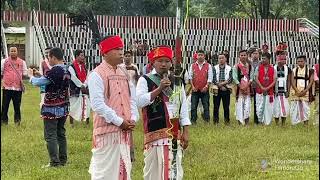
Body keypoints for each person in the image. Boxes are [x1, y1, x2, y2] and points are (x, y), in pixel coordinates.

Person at [87, 35, 139, 179]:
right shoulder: (96, 74)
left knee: (123, 170)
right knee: (105, 172)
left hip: (124, 131)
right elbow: (97, 105)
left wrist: (133, 117)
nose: (121, 52)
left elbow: (132, 98)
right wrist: (119, 121)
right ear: (105, 53)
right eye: (116, 49)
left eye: (121, 48)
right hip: (107, 132)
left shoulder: (124, 73)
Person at [136, 46, 190, 180]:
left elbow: (183, 106)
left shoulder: (177, 80)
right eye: (160, 61)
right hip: (155, 132)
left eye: (167, 61)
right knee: (154, 169)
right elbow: (139, 101)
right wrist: (159, 89)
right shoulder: (145, 79)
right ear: (153, 62)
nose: (164, 64)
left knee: (173, 167)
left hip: (174, 130)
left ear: (171, 63)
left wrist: (186, 131)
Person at [29, 47, 70, 167]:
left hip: (52, 107)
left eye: (49, 58)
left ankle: (54, 162)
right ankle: (63, 160)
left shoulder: (55, 70)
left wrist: (31, 76)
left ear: (53, 57)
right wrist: (40, 74)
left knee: (50, 135)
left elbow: (39, 83)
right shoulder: (67, 69)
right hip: (63, 105)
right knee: (61, 133)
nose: (48, 60)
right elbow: (50, 79)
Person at [1, 46, 28, 126]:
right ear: (9, 52)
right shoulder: (4, 61)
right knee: (5, 106)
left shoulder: (22, 62)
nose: (13, 52)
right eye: (11, 51)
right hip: (7, 87)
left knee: (17, 106)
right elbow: (1, 72)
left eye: (14, 51)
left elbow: (25, 73)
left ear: (17, 52)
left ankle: (17, 122)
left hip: (17, 88)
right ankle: (3, 122)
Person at [189, 50, 213, 124]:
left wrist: (206, 86)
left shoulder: (208, 65)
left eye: (201, 55)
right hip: (195, 90)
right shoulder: (192, 65)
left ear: (204, 56)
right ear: (197, 56)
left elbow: (210, 77)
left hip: (204, 90)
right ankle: (193, 121)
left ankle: (207, 121)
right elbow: (190, 77)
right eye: (199, 55)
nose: (200, 56)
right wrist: (192, 87)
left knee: (206, 106)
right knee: (193, 106)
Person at [290, 55, 314, 125]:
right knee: (294, 108)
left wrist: (305, 91)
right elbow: (292, 81)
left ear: (305, 61)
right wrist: (297, 91)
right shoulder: (294, 70)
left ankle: (305, 123)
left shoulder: (309, 70)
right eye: (298, 61)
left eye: (301, 61)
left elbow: (311, 82)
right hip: (296, 92)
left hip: (305, 93)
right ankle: (294, 123)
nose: (300, 63)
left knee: (305, 109)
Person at [68, 50, 90, 126]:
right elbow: (73, 78)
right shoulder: (71, 67)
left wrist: (85, 85)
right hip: (75, 89)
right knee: (73, 106)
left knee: (87, 105)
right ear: (77, 56)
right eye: (81, 55)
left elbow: (88, 76)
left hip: (84, 88)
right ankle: (71, 123)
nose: (83, 57)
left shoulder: (85, 66)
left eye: (83, 56)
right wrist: (81, 85)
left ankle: (87, 123)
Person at [233, 50, 254, 125]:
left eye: (244, 55)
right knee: (239, 105)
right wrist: (241, 87)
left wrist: (247, 86)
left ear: (247, 56)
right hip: (239, 89)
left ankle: (247, 123)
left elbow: (251, 77)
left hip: (248, 88)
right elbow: (234, 78)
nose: (243, 57)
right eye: (241, 55)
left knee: (247, 105)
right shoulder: (236, 66)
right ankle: (240, 122)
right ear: (239, 57)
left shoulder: (250, 66)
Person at [255, 52, 276, 125]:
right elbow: (256, 78)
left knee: (269, 108)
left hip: (269, 92)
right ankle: (260, 122)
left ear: (269, 59)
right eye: (262, 58)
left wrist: (266, 88)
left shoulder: (273, 69)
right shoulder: (258, 67)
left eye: (264, 59)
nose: (262, 60)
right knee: (259, 108)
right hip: (260, 91)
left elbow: (274, 81)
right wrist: (262, 87)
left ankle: (267, 123)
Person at [212, 53, 233, 125]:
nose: (221, 59)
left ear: (225, 59)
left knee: (226, 107)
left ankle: (227, 121)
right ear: (218, 59)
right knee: (216, 106)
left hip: (226, 89)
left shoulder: (230, 68)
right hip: (216, 89)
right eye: (219, 58)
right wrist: (220, 85)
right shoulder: (214, 68)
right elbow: (213, 79)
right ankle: (215, 121)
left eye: (222, 58)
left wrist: (223, 85)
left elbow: (230, 79)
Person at [273, 52, 291, 126]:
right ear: (277, 59)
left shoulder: (287, 68)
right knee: (276, 107)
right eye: (281, 59)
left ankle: (283, 123)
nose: (283, 61)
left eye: (284, 59)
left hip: (284, 91)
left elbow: (288, 80)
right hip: (275, 91)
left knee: (285, 107)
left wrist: (288, 91)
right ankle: (277, 123)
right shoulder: (273, 68)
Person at [248, 47, 261, 124]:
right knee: (248, 103)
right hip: (249, 86)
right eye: (253, 54)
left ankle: (257, 120)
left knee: (257, 103)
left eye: (256, 53)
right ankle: (246, 119)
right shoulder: (248, 63)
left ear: (259, 55)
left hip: (258, 86)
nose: (255, 55)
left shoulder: (261, 63)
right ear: (250, 55)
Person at [313, 58, 319, 125]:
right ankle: (317, 123)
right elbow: (316, 78)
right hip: (318, 91)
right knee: (317, 108)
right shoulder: (315, 67)